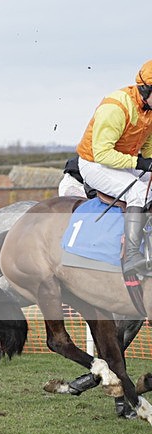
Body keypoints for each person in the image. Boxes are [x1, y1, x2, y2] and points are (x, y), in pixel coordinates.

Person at [76, 60, 152, 276]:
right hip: (95, 163)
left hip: (121, 162)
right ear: (146, 89)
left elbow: (148, 147)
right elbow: (102, 153)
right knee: (139, 192)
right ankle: (132, 255)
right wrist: (140, 163)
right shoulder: (115, 107)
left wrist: (148, 160)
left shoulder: (149, 109)